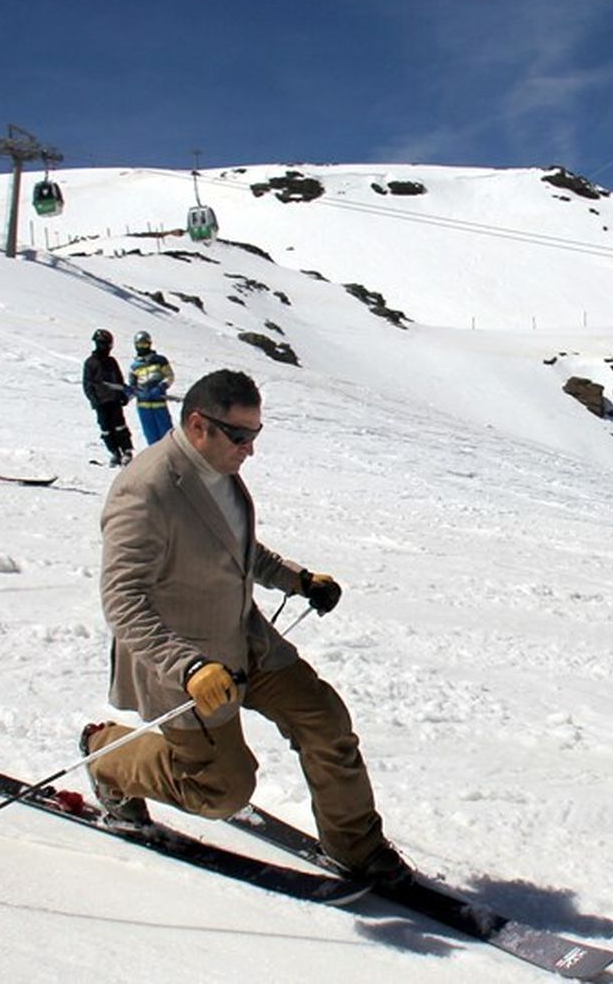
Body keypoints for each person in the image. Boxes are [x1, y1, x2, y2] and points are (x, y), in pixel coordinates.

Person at [82, 369, 411, 887]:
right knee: (221, 790)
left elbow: (234, 548)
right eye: (240, 436)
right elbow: (123, 600)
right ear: (198, 425)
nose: (250, 449)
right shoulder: (144, 491)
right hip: (188, 665)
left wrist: (297, 579)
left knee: (325, 722)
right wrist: (188, 667)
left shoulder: (218, 467)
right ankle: (109, 754)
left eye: (255, 435)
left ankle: (356, 848)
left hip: (246, 640)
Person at [82, 328, 135, 467]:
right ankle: (114, 452)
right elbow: (87, 384)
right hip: (101, 401)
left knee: (119, 425)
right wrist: (94, 400)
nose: (105, 347)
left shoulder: (111, 361)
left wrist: (122, 394)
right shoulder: (91, 363)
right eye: (102, 344)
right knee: (106, 428)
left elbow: (118, 380)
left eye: (107, 344)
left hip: (114, 400)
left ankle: (127, 451)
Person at [127, 330, 175, 445]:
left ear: (150, 344)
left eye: (145, 344)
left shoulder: (159, 361)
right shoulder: (134, 366)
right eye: (139, 345)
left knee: (166, 435)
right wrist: (129, 393)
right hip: (143, 405)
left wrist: (161, 387)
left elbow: (170, 376)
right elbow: (132, 386)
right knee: (151, 436)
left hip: (158, 402)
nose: (142, 347)